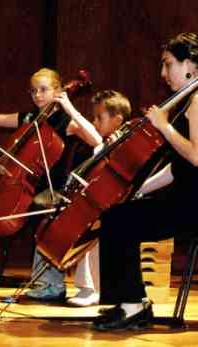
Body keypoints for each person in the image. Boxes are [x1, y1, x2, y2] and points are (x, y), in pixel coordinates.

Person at [92, 32, 198, 331]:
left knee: (120, 221)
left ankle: (133, 307)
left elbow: (195, 156)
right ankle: (131, 304)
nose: (163, 73)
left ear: (189, 65)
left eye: (167, 64)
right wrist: (138, 189)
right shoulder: (190, 101)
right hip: (190, 197)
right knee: (119, 214)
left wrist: (165, 126)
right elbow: (177, 167)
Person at [0, 68, 103, 285]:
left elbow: (96, 138)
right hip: (22, 182)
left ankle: (48, 282)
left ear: (58, 90)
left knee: (37, 208)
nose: (37, 95)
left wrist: (70, 108)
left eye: (43, 90)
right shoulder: (30, 117)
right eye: (33, 91)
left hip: (51, 187)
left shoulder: (66, 122)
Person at [25, 90, 131, 306]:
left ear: (118, 120)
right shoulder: (106, 143)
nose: (95, 121)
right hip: (96, 198)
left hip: (115, 203)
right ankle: (72, 284)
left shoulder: (121, 143)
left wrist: (70, 109)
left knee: (91, 223)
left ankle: (91, 287)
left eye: (99, 118)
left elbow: (95, 139)